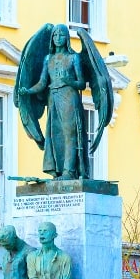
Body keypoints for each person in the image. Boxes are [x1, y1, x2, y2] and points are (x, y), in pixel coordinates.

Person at [17, 25, 87, 179]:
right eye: (55, 35)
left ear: (67, 38)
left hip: (69, 96)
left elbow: (82, 83)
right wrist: (28, 91)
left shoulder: (74, 58)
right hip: (53, 97)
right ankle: (58, 170)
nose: (57, 38)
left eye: (61, 35)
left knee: (70, 133)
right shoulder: (48, 59)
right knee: (54, 134)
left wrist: (70, 81)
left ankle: (69, 171)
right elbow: (42, 82)